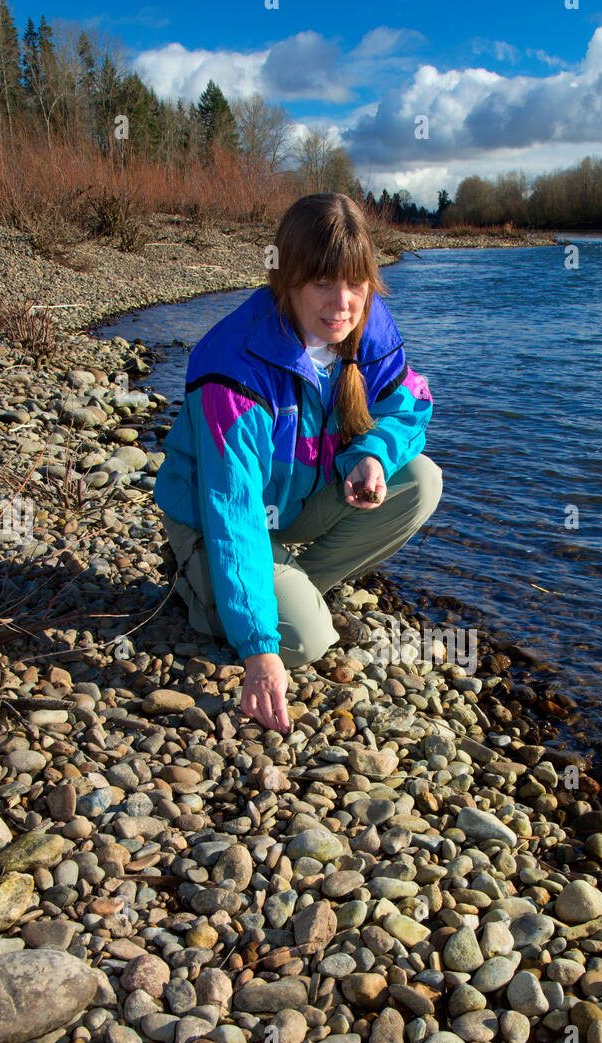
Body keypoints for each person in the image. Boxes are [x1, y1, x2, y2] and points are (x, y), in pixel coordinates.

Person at [154, 192, 441, 735]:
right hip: (216, 515)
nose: (342, 304)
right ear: (285, 280)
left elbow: (408, 405)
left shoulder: (368, 325)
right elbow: (233, 511)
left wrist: (372, 454)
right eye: (321, 283)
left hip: (292, 503)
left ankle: (279, 585)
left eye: (355, 283)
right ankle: (202, 589)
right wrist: (260, 651)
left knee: (421, 480)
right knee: (304, 642)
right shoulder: (234, 366)